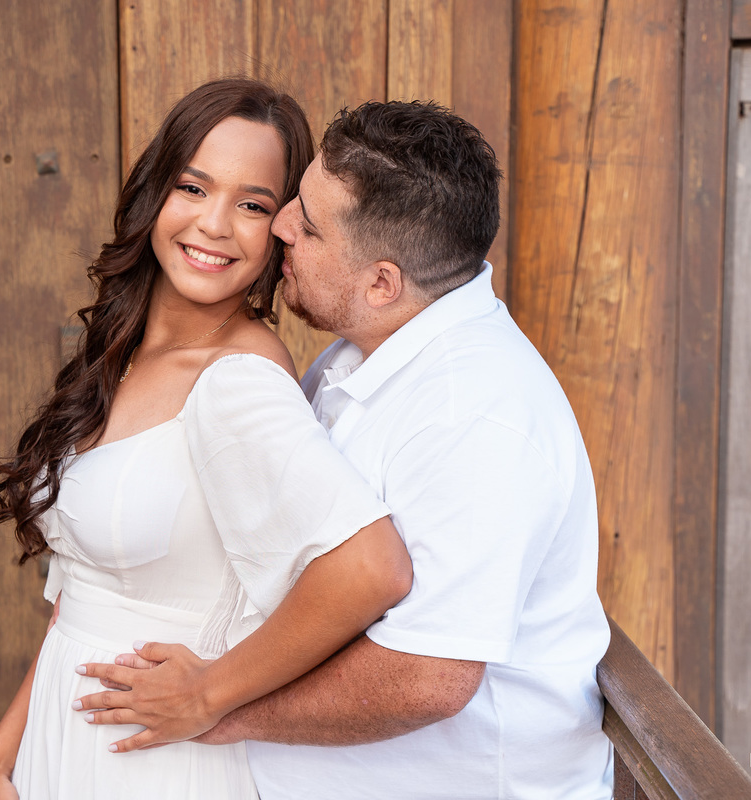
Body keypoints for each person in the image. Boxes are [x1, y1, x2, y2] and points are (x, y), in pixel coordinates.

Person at [78, 100, 614, 799]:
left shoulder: (476, 413)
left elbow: (428, 680)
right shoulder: (358, 353)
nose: (280, 227)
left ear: (382, 283)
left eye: (307, 221)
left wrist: (217, 706)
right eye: (296, 198)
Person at [0, 79, 413, 799]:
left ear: (281, 230)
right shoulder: (122, 352)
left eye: (252, 205)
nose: (214, 224)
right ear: (156, 193)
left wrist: (210, 693)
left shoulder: (238, 380)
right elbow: (80, 594)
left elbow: (370, 570)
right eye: (194, 187)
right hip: (62, 746)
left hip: (156, 766)